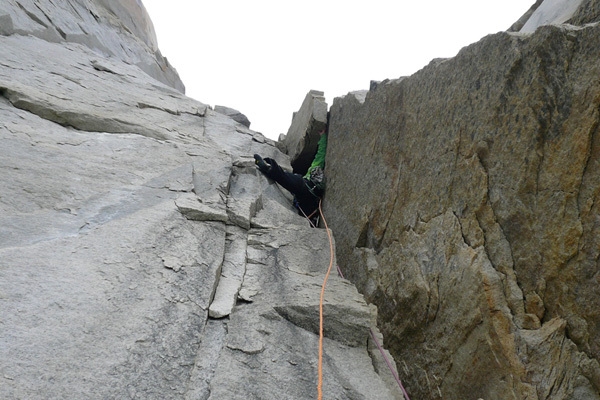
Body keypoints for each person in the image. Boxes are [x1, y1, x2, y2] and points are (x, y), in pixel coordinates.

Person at [254, 130, 327, 225]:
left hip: (305, 188)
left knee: (284, 177)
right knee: (285, 179)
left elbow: (320, 155)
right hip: (310, 199)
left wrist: (323, 138)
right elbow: (320, 155)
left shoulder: (309, 172)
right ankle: (269, 167)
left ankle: (269, 167)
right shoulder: (313, 169)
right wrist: (323, 137)